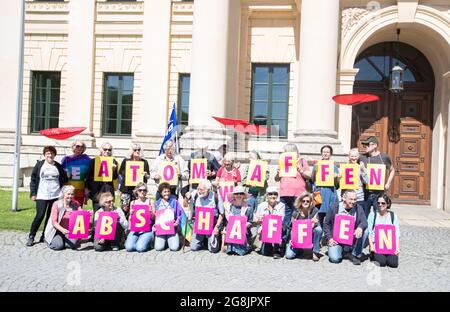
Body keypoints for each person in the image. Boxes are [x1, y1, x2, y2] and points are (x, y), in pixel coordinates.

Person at [27, 146, 68, 246]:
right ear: (45, 154)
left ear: (54, 155)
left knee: (50, 217)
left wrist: (67, 176)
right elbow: (33, 180)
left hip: (55, 195)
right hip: (42, 195)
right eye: (48, 153)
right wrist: (33, 193)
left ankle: (44, 235)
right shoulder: (39, 165)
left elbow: (64, 179)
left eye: (52, 153)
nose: (50, 155)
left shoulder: (58, 166)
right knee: (40, 215)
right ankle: (31, 236)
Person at [274, 143, 311, 252]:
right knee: (285, 219)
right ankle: (282, 244)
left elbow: (310, 175)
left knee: (298, 219)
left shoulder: (302, 160)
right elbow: (276, 178)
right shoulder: (282, 161)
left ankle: (297, 244)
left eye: (285, 150)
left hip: (298, 193)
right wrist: (277, 173)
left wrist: (301, 170)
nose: (283, 152)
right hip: (285, 193)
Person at [323, 189, 367, 265]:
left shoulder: (358, 208)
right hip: (336, 239)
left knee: (365, 231)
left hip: (351, 238)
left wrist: (360, 227)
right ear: (344, 198)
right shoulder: (334, 207)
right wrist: (329, 238)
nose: (353, 202)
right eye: (351, 199)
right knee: (335, 258)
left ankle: (355, 254)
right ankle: (344, 252)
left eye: (355, 199)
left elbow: (364, 222)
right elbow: (326, 223)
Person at [359, 136, 395, 215]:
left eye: (367, 145)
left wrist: (388, 183)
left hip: (379, 193)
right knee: (364, 215)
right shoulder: (362, 157)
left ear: (375, 145)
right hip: (365, 192)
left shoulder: (384, 157)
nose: (365, 147)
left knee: (378, 215)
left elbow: (392, 170)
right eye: (364, 145)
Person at [363, 193, 400, 268]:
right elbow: (369, 232)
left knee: (393, 263)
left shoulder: (393, 216)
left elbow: (397, 234)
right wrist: (372, 246)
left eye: (383, 203)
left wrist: (397, 248)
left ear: (388, 204)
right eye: (378, 203)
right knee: (382, 262)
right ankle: (373, 255)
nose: (380, 205)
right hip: (377, 245)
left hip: (389, 245)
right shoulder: (373, 215)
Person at [187, 180, 224, 253]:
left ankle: (212, 239)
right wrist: (186, 197)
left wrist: (216, 227)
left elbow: (221, 214)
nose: (199, 191)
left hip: (212, 225)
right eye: (198, 189)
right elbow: (187, 206)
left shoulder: (216, 197)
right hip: (199, 224)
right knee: (193, 247)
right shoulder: (195, 195)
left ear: (208, 190)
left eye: (201, 190)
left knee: (213, 249)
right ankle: (202, 240)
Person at [285, 191, 322, 261]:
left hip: (310, 234)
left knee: (318, 229)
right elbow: (292, 229)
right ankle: (299, 249)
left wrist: (315, 223)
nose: (305, 202)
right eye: (303, 201)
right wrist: (291, 239)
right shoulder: (295, 213)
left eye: (307, 201)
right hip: (298, 237)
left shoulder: (314, 211)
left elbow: (316, 225)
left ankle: (315, 251)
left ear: (310, 202)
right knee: (289, 256)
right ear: (300, 202)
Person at [43, 185, 81, 251]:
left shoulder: (76, 203)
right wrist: (62, 230)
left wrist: (88, 214)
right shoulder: (56, 204)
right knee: (58, 246)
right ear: (63, 194)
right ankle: (48, 239)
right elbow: (54, 222)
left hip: (69, 230)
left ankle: (64, 239)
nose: (70, 196)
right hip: (57, 230)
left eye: (72, 194)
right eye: (68, 194)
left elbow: (81, 214)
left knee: (71, 245)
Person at [311, 145, 340, 229]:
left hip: (330, 193)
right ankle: (319, 236)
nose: (325, 154)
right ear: (321, 153)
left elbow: (337, 185)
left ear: (330, 154)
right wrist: (314, 170)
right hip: (319, 193)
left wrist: (336, 177)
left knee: (330, 216)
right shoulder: (317, 165)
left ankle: (327, 237)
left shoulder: (334, 167)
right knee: (318, 215)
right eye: (324, 152)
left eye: (327, 152)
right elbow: (312, 179)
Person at [118, 143, 150, 217]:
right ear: (131, 151)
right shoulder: (126, 161)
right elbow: (120, 173)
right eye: (135, 150)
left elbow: (148, 176)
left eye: (139, 150)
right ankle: (124, 227)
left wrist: (146, 175)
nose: (137, 151)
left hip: (139, 190)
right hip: (126, 189)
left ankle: (136, 227)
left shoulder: (144, 162)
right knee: (125, 209)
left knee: (138, 209)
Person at [86, 142, 119, 213]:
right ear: (101, 150)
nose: (107, 151)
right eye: (105, 149)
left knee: (108, 211)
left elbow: (115, 177)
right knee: (97, 212)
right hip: (97, 190)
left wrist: (114, 170)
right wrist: (87, 188)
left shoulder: (114, 162)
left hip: (108, 189)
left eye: (109, 150)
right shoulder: (94, 161)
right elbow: (88, 176)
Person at [253, 186, 285, 258]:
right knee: (265, 253)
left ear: (277, 195)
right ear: (267, 195)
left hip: (277, 229)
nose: (273, 196)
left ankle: (277, 249)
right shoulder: (261, 205)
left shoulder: (281, 205)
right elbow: (256, 220)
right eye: (270, 194)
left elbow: (281, 220)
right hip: (265, 230)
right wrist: (259, 220)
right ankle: (268, 246)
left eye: (275, 194)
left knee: (279, 229)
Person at [223, 185, 253, 256]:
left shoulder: (248, 207)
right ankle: (231, 248)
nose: (238, 195)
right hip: (231, 231)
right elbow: (227, 221)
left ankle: (242, 248)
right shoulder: (228, 206)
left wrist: (245, 225)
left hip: (243, 231)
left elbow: (251, 221)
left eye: (241, 193)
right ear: (234, 195)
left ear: (243, 195)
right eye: (236, 193)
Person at [125, 183, 155, 253]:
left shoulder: (150, 202)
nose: (142, 192)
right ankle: (141, 241)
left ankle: (148, 241)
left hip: (147, 230)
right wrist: (131, 214)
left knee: (140, 248)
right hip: (135, 230)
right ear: (136, 191)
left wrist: (150, 213)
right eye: (140, 190)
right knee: (129, 248)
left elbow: (154, 218)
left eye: (144, 190)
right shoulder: (133, 203)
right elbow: (131, 220)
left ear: (146, 192)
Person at [61, 140, 91, 207]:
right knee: (67, 209)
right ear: (73, 147)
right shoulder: (66, 159)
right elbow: (61, 173)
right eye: (77, 146)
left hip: (80, 189)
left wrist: (87, 189)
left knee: (78, 209)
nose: (80, 148)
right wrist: (66, 173)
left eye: (82, 146)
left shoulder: (87, 160)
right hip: (68, 190)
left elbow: (89, 174)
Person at [154, 183, 182, 251]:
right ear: (160, 193)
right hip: (161, 230)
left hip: (172, 228)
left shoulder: (175, 202)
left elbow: (180, 214)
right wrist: (155, 225)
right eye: (165, 192)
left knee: (174, 248)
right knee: (158, 248)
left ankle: (170, 240)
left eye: (168, 191)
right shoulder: (157, 203)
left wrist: (177, 222)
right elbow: (155, 217)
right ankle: (165, 241)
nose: (167, 193)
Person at [347, 148, 369, 217]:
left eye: (355, 156)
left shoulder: (361, 167)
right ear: (349, 157)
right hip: (348, 198)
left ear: (358, 157)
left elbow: (366, 181)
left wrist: (363, 170)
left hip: (359, 197)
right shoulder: (345, 167)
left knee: (359, 218)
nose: (354, 158)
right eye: (352, 156)